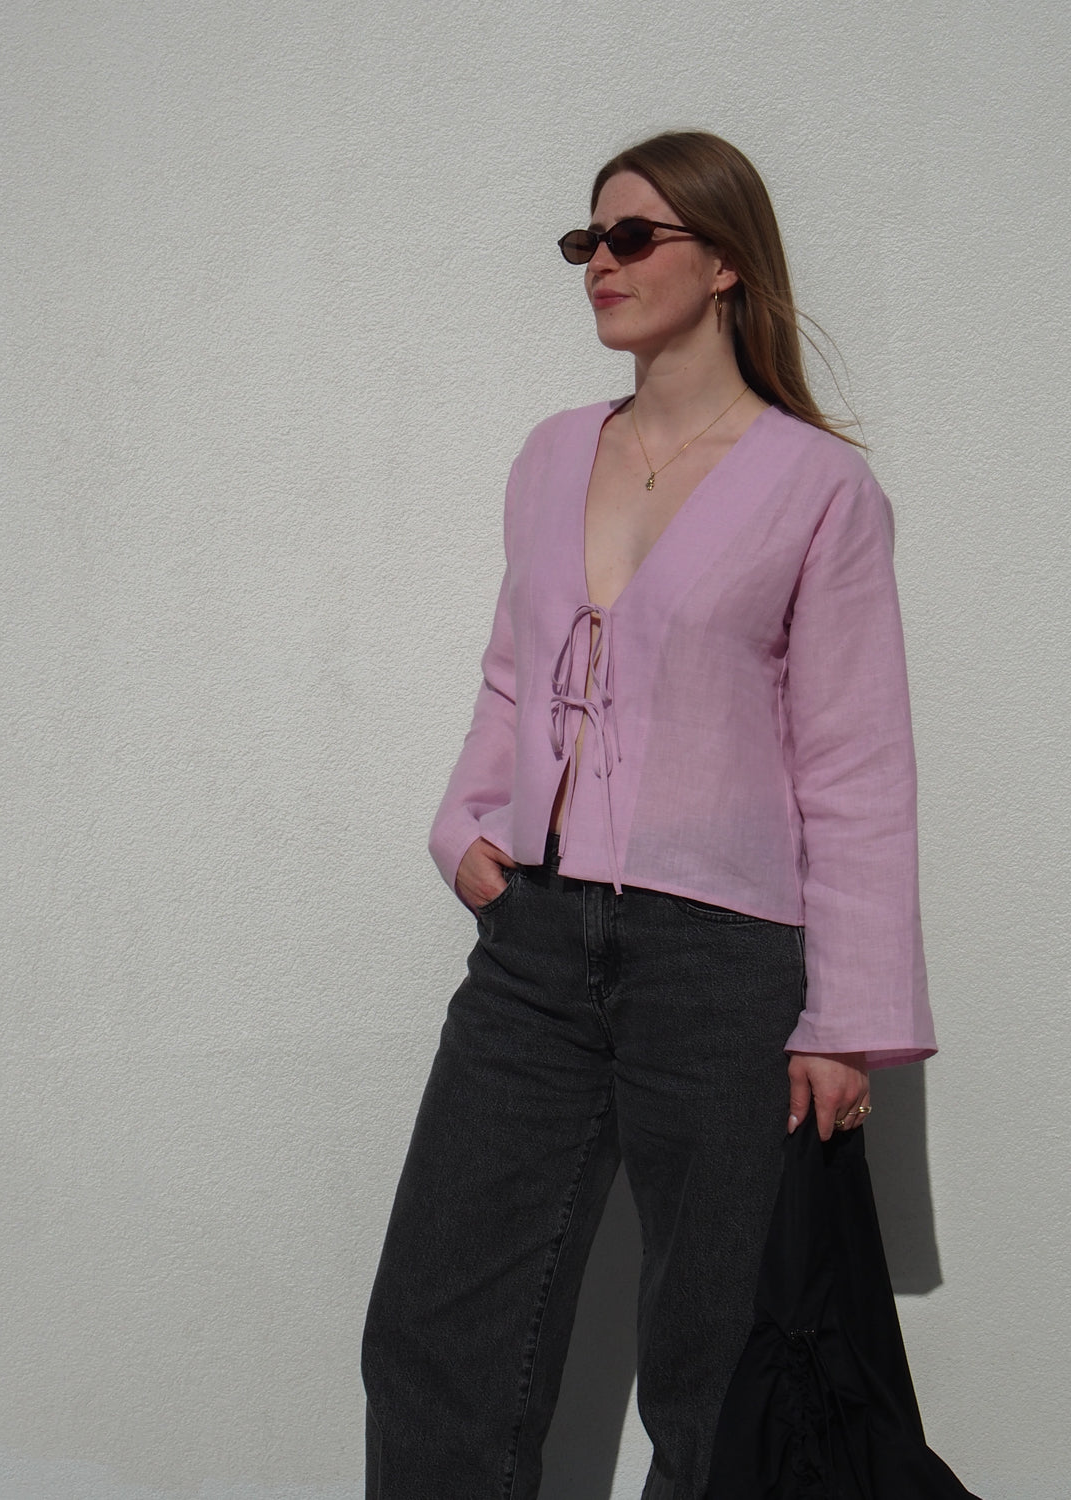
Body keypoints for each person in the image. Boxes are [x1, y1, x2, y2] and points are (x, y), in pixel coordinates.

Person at [361, 130, 937, 1500]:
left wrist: (845, 1022)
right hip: (537, 948)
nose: (600, 265)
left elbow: (855, 764)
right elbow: (512, 673)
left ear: (725, 260)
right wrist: (468, 840)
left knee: (714, 1359)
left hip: (725, 961)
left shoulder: (820, 487)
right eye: (586, 242)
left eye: (634, 238)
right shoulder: (557, 454)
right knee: (437, 1327)